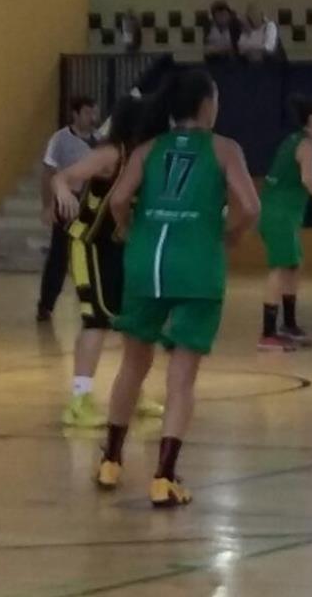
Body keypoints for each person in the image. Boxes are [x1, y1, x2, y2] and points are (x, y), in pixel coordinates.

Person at [97, 70, 261, 507]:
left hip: (145, 262)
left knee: (132, 365)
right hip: (197, 264)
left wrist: (130, 231)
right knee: (182, 377)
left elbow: (116, 200)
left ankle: (111, 461)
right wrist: (229, 236)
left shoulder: (149, 149)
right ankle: (163, 477)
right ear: (207, 105)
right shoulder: (225, 149)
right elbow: (250, 206)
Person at [49, 97, 162, 428]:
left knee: (131, 319)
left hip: (118, 247)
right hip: (89, 244)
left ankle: (132, 390)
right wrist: (63, 193)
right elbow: (62, 177)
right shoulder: (110, 154)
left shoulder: (143, 158)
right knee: (96, 320)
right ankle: (79, 400)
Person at [256, 95, 312, 351]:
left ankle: (289, 325)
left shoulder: (294, 140)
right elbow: (308, 179)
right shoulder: (307, 145)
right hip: (279, 213)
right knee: (280, 268)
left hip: (280, 212)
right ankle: (268, 334)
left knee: (293, 265)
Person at [39, 96, 101, 322]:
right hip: (66, 201)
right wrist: (48, 205)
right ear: (75, 114)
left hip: (90, 202)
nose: (92, 117)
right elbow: (48, 172)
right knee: (59, 254)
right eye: (87, 112)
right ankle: (46, 304)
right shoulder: (60, 139)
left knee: (91, 254)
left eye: (94, 112)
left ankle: (95, 303)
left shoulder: (99, 140)